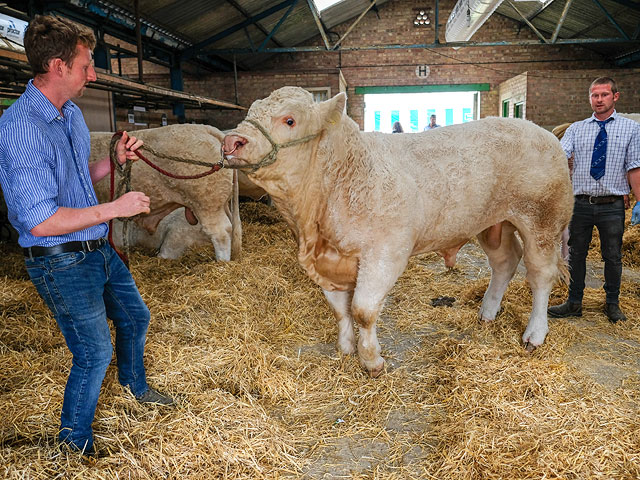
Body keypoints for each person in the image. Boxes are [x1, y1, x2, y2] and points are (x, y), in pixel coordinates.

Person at [0, 15, 174, 457]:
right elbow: (40, 222)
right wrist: (116, 208)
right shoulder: (21, 128)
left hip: (97, 247)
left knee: (136, 317)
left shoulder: (71, 115)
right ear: (58, 67)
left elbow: (77, 184)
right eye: (86, 65)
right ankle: (74, 444)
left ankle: (135, 386)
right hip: (59, 259)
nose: (92, 75)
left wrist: (112, 162)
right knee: (94, 353)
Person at [548, 77, 640, 323]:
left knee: (612, 255)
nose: (599, 100)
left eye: (604, 95)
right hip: (580, 203)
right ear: (590, 98)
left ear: (615, 96)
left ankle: (612, 304)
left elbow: (634, 167)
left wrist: (639, 200)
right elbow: (558, 155)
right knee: (576, 254)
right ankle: (574, 302)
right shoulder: (577, 129)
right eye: (594, 95)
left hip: (612, 205)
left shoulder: (631, 129)